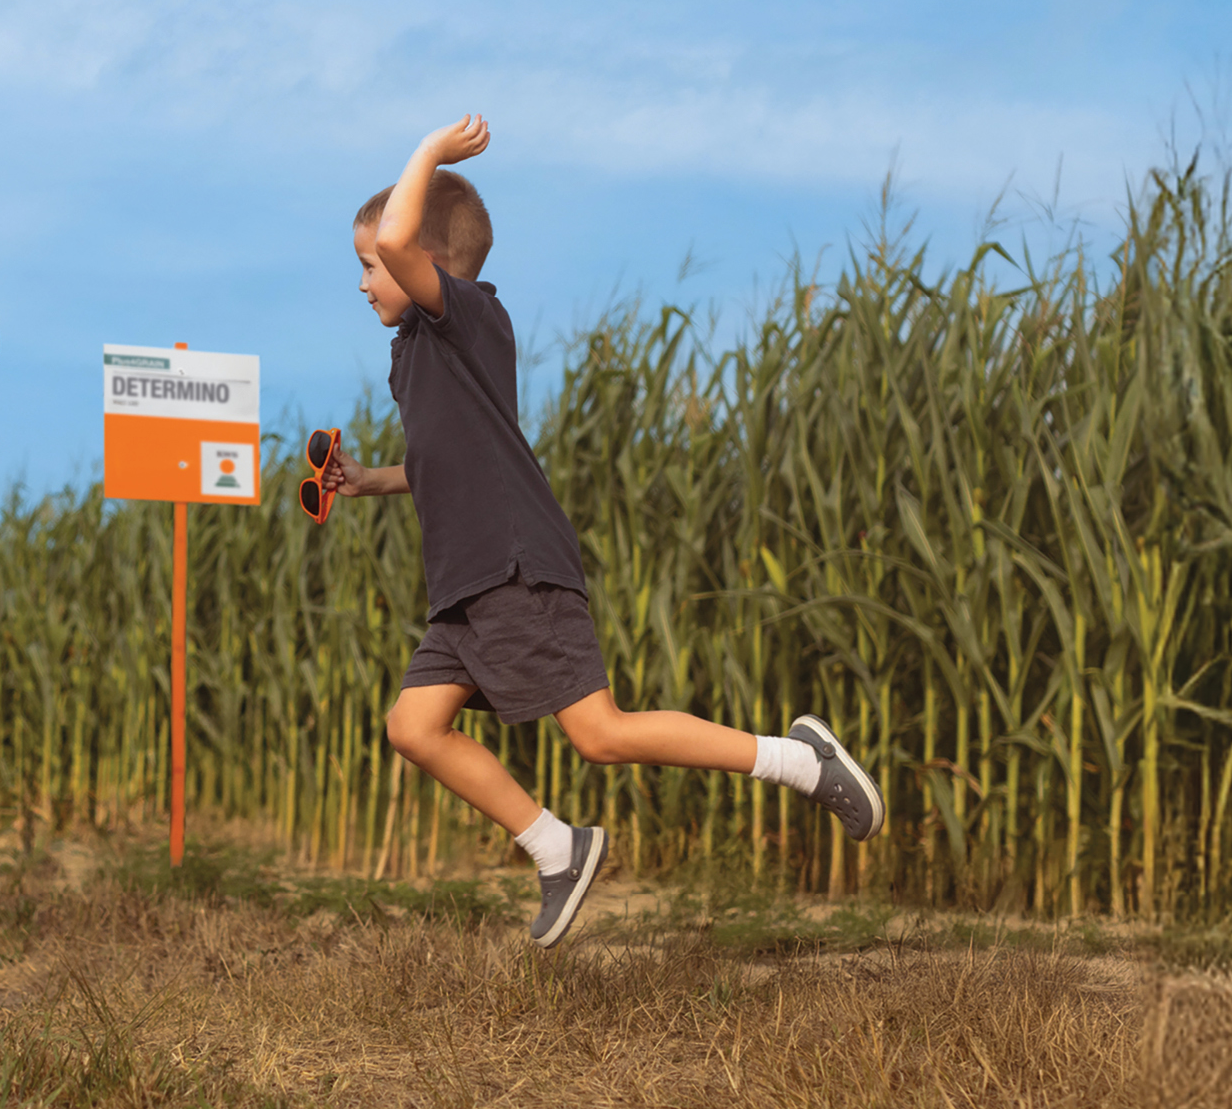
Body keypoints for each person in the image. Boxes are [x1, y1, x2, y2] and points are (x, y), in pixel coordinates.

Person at [319, 118, 885, 947]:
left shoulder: (467, 318)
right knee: (413, 726)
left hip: (514, 569)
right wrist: (373, 479)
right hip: (465, 591)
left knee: (601, 734)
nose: (364, 281)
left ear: (428, 264)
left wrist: (430, 153)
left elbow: (402, 233)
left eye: (370, 265)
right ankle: (559, 848)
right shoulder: (413, 352)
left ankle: (801, 762)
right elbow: (448, 456)